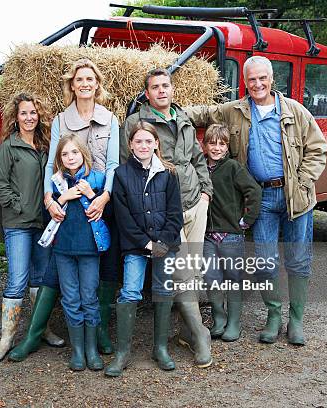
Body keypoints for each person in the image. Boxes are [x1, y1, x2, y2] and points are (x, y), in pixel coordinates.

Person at [185, 56, 327, 345]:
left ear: (272, 79)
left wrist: (301, 181)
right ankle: (273, 316)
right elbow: (202, 113)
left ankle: (296, 320)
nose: (258, 84)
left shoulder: (295, 111)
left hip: (295, 196)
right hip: (260, 197)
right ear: (245, 82)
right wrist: (167, 111)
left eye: (262, 78)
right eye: (252, 79)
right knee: (264, 262)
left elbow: (318, 148)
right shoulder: (234, 111)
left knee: (298, 259)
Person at [9, 58, 120, 361]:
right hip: (64, 201)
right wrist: (48, 199)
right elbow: (51, 163)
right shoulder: (61, 119)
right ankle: (34, 334)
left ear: (98, 84)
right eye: (79, 80)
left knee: (102, 267)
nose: (85, 84)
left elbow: (112, 164)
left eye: (90, 79)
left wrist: (104, 197)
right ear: (72, 85)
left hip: (97, 201)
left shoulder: (110, 119)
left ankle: (97, 335)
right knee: (55, 269)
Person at [121, 68, 212, 366]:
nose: (162, 91)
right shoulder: (137, 123)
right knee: (181, 272)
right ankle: (201, 336)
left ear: (173, 89)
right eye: (155, 87)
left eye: (166, 86)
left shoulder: (182, 118)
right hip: (166, 209)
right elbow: (130, 166)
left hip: (195, 202)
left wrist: (206, 193)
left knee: (193, 269)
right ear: (147, 93)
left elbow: (198, 158)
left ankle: (187, 330)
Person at [105, 121, 185, 377]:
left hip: (164, 244)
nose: (143, 145)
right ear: (130, 145)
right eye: (138, 141)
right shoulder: (121, 174)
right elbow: (123, 217)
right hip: (136, 246)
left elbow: (175, 213)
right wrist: (145, 242)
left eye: (148, 141)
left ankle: (160, 348)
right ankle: (122, 352)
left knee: (163, 291)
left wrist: (162, 242)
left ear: (156, 144)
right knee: (130, 292)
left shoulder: (168, 173)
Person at [0, 93, 63, 363]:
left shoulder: (45, 147)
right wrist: (18, 206)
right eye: (24, 113)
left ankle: (41, 329)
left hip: (43, 224)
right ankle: (6, 339)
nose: (29, 117)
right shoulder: (9, 146)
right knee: (18, 279)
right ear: (15, 117)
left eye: (33, 112)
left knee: (41, 277)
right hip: (18, 223)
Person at [48, 133, 110, 371]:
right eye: (65, 154)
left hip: (89, 250)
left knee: (89, 296)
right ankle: (77, 351)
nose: (70, 157)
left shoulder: (97, 179)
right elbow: (48, 215)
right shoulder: (55, 183)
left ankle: (92, 349)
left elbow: (108, 212)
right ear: (60, 159)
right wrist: (61, 198)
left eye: (74, 152)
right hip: (63, 249)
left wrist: (90, 195)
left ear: (83, 154)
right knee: (71, 298)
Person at [201, 124, 261, 342]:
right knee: (211, 278)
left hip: (231, 235)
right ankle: (219, 318)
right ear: (204, 145)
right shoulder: (200, 168)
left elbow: (254, 191)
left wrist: (247, 220)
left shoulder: (234, 167)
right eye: (212, 143)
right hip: (207, 234)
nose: (216, 148)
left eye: (221, 144)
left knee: (233, 278)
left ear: (227, 147)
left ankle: (234, 322)